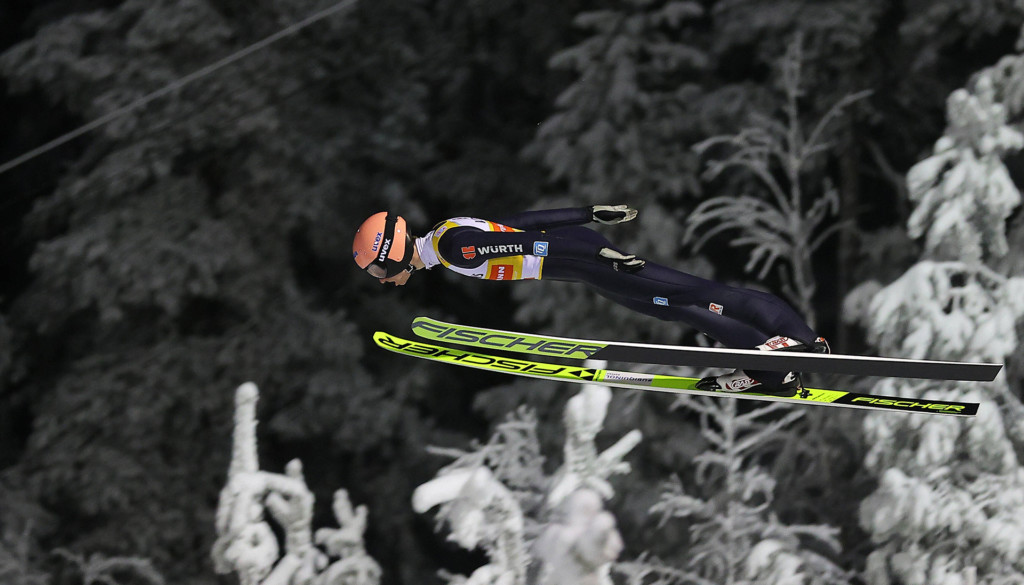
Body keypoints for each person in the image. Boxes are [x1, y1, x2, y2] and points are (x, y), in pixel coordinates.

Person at [352, 205, 829, 394]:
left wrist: (605, 253)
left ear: (387, 256)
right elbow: (524, 219)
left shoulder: (454, 248)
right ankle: (777, 364)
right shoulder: (444, 236)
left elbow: (530, 245)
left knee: (693, 297)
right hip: (584, 262)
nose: (377, 278)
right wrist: (587, 214)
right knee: (684, 303)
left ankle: (793, 351)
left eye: (374, 269)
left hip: (586, 260)